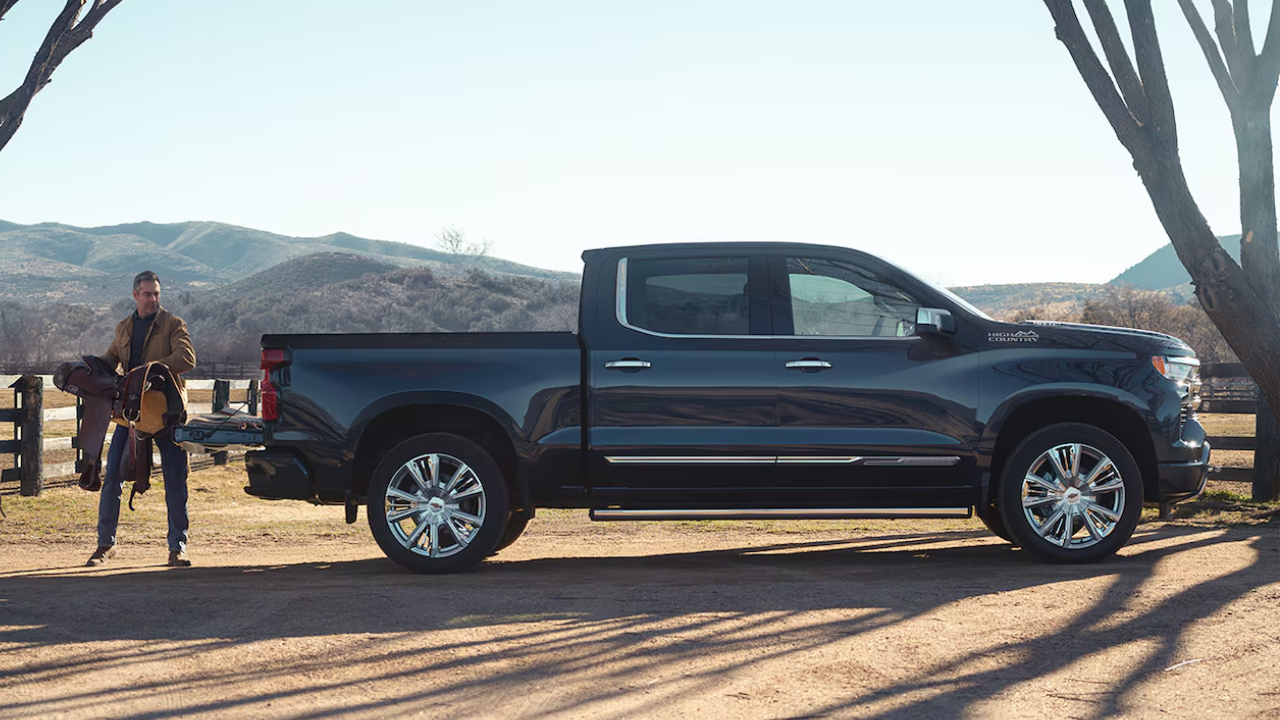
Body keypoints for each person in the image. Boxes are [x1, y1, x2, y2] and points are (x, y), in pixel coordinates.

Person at [86, 270, 197, 568]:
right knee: (112, 480)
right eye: (147, 294)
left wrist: (152, 368)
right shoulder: (124, 328)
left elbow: (187, 358)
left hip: (166, 413)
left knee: (176, 481)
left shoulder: (173, 324)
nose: (153, 299)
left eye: (156, 294)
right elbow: (111, 361)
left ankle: (178, 547)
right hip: (132, 415)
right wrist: (91, 369)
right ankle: (105, 545)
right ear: (135, 295)